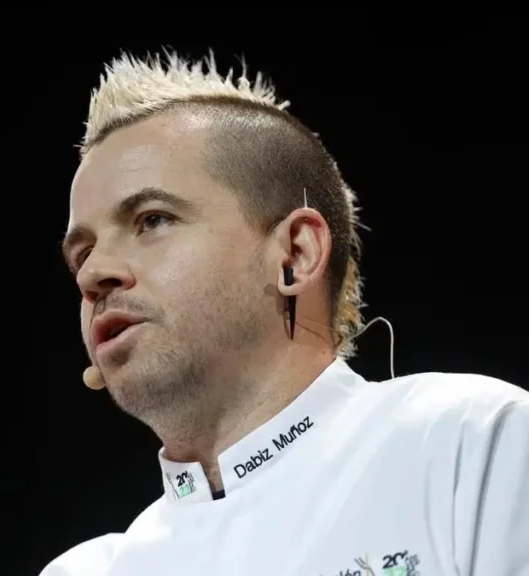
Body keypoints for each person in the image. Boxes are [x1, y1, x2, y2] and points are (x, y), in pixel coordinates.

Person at [46, 51, 529, 575]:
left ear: (295, 255)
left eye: (153, 220)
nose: (93, 275)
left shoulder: (471, 445)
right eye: (82, 254)